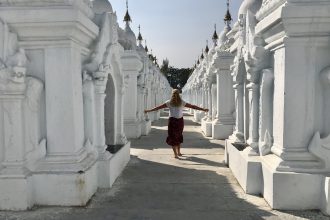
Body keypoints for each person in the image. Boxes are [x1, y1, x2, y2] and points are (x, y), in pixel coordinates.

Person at [144, 89, 208, 159]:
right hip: (179, 121)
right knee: (178, 136)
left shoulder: (169, 102)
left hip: (172, 121)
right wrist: (203, 109)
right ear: (179, 94)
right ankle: (178, 152)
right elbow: (193, 106)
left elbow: (158, 107)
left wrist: (149, 110)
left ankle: (176, 154)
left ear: (172, 95)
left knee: (173, 137)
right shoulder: (181, 102)